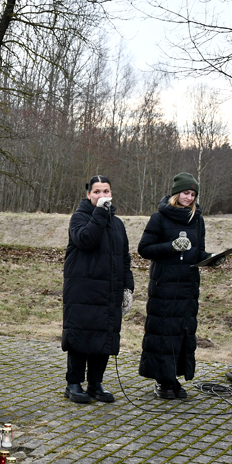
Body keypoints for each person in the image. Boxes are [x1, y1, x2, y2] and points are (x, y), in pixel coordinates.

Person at [138, 172, 218, 399]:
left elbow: (198, 252)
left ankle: (173, 377)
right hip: (164, 287)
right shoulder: (159, 218)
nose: (189, 198)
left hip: (188, 287)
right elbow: (144, 249)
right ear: (176, 193)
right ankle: (163, 380)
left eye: (193, 194)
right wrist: (171, 246)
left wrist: (211, 258)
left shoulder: (197, 220)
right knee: (164, 333)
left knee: (183, 333)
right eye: (186, 193)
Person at [62, 176, 134, 404]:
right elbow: (86, 239)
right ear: (88, 195)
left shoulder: (118, 224)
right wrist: (101, 213)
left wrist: (128, 288)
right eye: (97, 192)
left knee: (104, 336)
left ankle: (95, 383)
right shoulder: (79, 218)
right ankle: (73, 384)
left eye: (106, 191)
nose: (102, 196)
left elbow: (124, 258)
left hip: (108, 291)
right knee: (80, 336)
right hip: (82, 290)